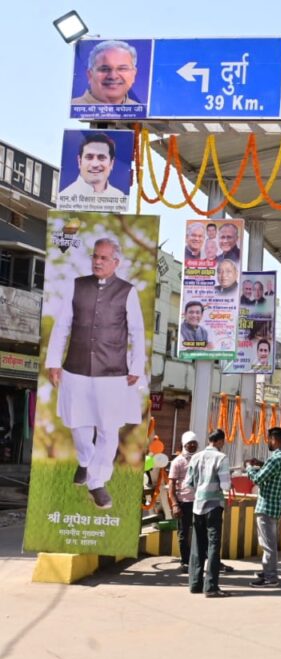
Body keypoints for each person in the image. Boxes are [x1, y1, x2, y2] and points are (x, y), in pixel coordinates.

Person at [45, 237, 145, 509]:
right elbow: (62, 325)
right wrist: (54, 361)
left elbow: (137, 332)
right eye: (95, 256)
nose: (97, 262)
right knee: (78, 424)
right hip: (75, 368)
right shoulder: (77, 285)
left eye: (104, 258)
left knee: (108, 429)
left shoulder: (127, 291)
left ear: (116, 262)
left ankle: (97, 482)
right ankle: (86, 461)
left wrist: (137, 366)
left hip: (112, 371)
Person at [184, 429, 231, 598]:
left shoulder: (196, 457)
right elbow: (225, 485)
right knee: (213, 546)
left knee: (197, 544)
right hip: (214, 506)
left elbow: (188, 483)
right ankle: (211, 587)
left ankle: (195, 584)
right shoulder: (221, 458)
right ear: (219, 441)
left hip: (198, 505)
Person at [246, 427, 281, 587]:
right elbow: (273, 472)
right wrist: (261, 464)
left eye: (269, 439)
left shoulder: (274, 459)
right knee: (269, 542)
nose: (268, 442)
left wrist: (249, 468)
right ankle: (268, 571)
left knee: (268, 545)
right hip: (277, 506)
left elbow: (258, 479)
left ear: (274, 440)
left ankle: (271, 577)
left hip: (266, 506)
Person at [58, 133, 126, 203]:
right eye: (89, 157)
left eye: (101, 157)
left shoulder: (120, 197)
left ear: (111, 163)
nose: (95, 164)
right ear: (79, 161)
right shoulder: (65, 199)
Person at [71, 40, 139, 105]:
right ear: (90, 75)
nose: (113, 76)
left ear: (133, 74)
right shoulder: (69, 107)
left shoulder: (141, 111)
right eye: (104, 69)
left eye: (122, 69)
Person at [167, 431, 199, 574]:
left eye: (194, 443)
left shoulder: (199, 459)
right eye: (189, 443)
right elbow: (171, 485)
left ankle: (199, 560)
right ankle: (185, 562)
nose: (192, 446)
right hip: (183, 502)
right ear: (184, 444)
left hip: (199, 501)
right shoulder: (177, 462)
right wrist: (174, 504)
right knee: (183, 533)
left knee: (200, 532)